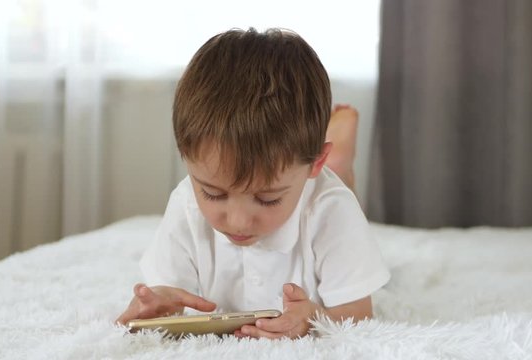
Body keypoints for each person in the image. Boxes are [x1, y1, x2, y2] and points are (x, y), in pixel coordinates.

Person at [116, 28, 390, 339]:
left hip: (325, 191)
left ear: (314, 164)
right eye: (214, 193)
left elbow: (358, 316)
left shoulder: (332, 209)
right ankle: (332, 158)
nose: (238, 221)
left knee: (340, 191)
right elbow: (169, 290)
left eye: (268, 198)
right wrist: (158, 304)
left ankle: (339, 164)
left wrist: (314, 319)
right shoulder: (186, 202)